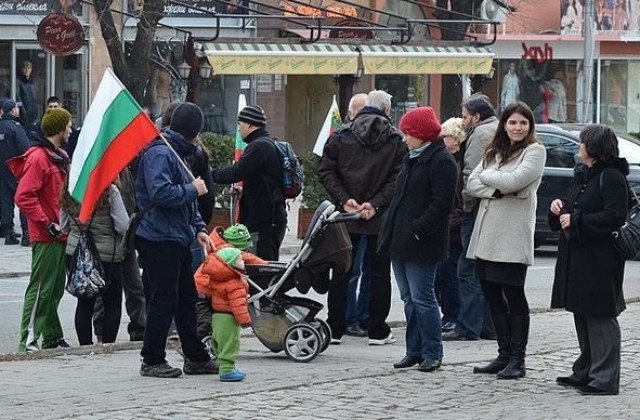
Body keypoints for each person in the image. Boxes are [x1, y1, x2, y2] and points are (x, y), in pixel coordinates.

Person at [134, 101, 217, 378]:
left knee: (186, 299)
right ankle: (152, 359)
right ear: (193, 130)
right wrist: (192, 189)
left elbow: (187, 207)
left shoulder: (180, 152)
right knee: (163, 300)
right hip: (158, 237)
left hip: (177, 236)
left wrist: (199, 228)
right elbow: (160, 194)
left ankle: (195, 357)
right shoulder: (160, 153)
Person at [465, 102, 546, 379]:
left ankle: (518, 359)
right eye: (512, 122)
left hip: (511, 235)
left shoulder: (535, 151)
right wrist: (495, 188)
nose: (517, 128)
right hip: (487, 235)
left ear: (529, 126)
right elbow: (471, 184)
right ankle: (502, 354)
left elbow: (515, 181)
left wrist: (491, 180)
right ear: (504, 125)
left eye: (523, 123)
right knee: (491, 295)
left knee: (513, 295)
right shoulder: (493, 149)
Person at [318, 90, 405, 345]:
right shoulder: (396, 140)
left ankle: (335, 328)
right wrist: (375, 205)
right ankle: (377, 329)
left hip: (347, 215)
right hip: (378, 216)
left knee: (342, 270)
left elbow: (325, 170)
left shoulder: (342, 136)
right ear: (388, 111)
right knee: (379, 274)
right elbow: (398, 178)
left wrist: (345, 200)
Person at [549, 124, 628, 395]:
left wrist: (577, 219)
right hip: (579, 256)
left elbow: (614, 216)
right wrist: (559, 207)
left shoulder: (612, 176)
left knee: (600, 316)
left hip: (601, 259)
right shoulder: (584, 175)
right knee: (582, 313)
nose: (578, 147)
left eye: (583, 143)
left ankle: (604, 379)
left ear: (593, 148)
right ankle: (585, 370)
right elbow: (576, 206)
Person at [378, 106, 457, 372]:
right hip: (401, 239)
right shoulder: (412, 157)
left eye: (408, 133)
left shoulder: (441, 161)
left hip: (421, 241)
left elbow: (442, 203)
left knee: (423, 298)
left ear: (422, 134)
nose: (404, 138)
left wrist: (419, 228)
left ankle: (432, 351)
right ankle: (414, 349)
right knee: (409, 299)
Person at [9, 107, 72, 352]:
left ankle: (52, 337)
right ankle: (28, 341)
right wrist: (47, 222)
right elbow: (23, 196)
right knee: (41, 289)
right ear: (58, 129)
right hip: (47, 234)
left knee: (53, 288)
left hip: (57, 232)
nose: (70, 129)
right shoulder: (39, 158)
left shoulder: (56, 155)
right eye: (67, 125)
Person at [443, 94, 498, 342]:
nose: (463, 122)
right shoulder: (495, 128)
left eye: (465, 117)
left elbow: (471, 174)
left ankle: (467, 326)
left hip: (475, 210)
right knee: (484, 268)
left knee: (467, 268)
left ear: (477, 117)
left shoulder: (480, 134)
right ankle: (487, 325)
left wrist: (466, 203)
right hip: (488, 208)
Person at [212, 105, 286, 261]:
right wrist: (244, 192)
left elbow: (236, 172)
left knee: (260, 270)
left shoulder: (259, 147)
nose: (239, 129)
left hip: (263, 224)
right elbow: (265, 182)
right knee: (266, 269)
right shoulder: (266, 144)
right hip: (271, 219)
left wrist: (209, 175)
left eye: (240, 124)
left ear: (251, 124)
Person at [61, 180, 128, 345]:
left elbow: (63, 226)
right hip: (106, 256)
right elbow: (122, 226)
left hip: (75, 253)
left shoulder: (70, 189)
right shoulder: (110, 190)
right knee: (112, 303)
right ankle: (107, 345)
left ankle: (85, 345)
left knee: (84, 301)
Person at [93, 168, 146, 342]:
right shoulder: (108, 175)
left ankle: (139, 328)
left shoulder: (126, 171)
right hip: (110, 241)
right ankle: (102, 333)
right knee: (106, 291)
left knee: (135, 287)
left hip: (125, 240)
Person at [194, 223, 266, 348]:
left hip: (206, 288)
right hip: (202, 291)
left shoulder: (218, 248)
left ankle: (202, 344)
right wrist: (266, 266)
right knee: (204, 322)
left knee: (208, 320)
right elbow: (238, 303)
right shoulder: (228, 253)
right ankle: (193, 346)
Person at [435, 117, 467, 333]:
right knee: (443, 274)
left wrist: (449, 221)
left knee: (450, 273)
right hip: (447, 225)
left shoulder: (458, 163)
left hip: (453, 227)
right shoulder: (448, 159)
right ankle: (449, 313)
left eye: (445, 136)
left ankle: (452, 315)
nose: (442, 139)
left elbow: (458, 200)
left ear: (456, 139)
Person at [200, 248, 251, 382]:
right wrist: (245, 321)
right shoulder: (235, 283)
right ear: (231, 263)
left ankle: (226, 367)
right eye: (240, 259)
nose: (243, 261)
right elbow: (238, 304)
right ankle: (227, 370)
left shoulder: (217, 279)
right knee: (230, 344)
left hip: (217, 315)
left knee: (220, 342)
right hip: (229, 317)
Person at [343, 93, 371, 338]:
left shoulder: (381, 139)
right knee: (350, 271)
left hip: (371, 214)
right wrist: (344, 200)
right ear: (350, 114)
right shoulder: (343, 138)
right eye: (358, 112)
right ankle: (348, 317)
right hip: (347, 216)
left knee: (368, 271)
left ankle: (363, 317)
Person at [0, 99, 30, 246]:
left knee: (6, 202)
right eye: (16, 108)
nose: (18, 110)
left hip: (2, 172)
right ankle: (27, 235)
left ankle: (8, 233)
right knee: (24, 200)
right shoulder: (16, 127)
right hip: (17, 171)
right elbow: (25, 149)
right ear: (12, 111)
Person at [16, 61, 37, 127]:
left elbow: (34, 98)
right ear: (21, 69)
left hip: (33, 112)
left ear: (31, 69)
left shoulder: (32, 82)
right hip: (23, 113)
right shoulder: (18, 82)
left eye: (29, 68)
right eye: (25, 68)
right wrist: (23, 111)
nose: (27, 70)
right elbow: (18, 97)